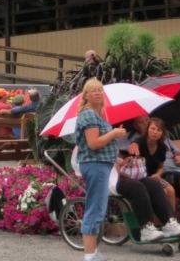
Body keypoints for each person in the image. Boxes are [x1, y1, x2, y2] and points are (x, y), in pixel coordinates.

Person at [74, 79, 128, 261]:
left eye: (100, 90)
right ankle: (89, 255)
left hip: (101, 164)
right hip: (95, 165)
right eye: (93, 90)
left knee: (98, 206)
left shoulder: (97, 116)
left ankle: (93, 252)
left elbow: (100, 145)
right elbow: (94, 143)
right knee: (95, 208)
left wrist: (116, 157)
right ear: (86, 96)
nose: (97, 93)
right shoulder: (89, 115)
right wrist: (113, 133)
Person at [113, 149, 180, 241]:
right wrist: (117, 162)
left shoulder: (112, 142)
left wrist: (123, 161)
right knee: (137, 187)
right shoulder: (99, 142)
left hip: (126, 176)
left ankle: (169, 223)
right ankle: (146, 228)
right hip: (111, 179)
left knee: (153, 184)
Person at [141, 117, 180, 223]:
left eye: (146, 120)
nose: (144, 123)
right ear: (135, 125)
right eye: (140, 122)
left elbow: (179, 153)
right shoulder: (140, 141)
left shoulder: (163, 139)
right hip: (167, 173)